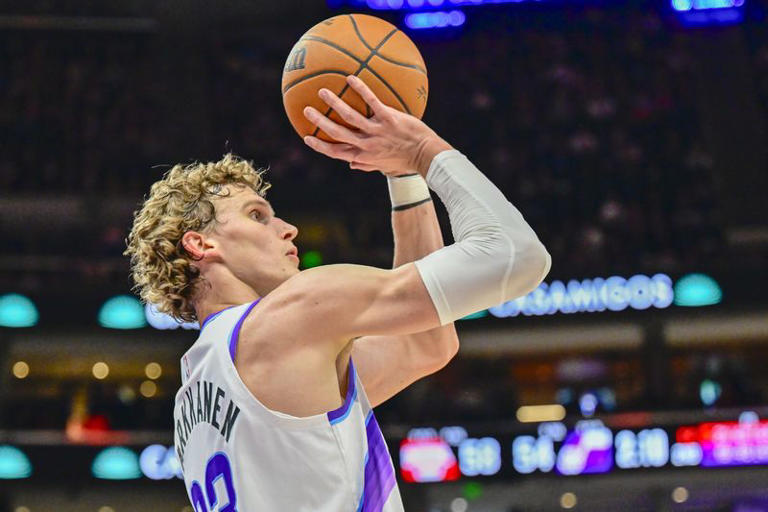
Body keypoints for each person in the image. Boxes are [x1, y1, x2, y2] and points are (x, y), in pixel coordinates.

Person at [124, 75, 550, 512]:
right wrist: (422, 151)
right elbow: (517, 257)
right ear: (202, 245)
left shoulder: (192, 393)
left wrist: (402, 176)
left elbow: (425, 342)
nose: (287, 228)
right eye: (257, 215)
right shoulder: (294, 311)